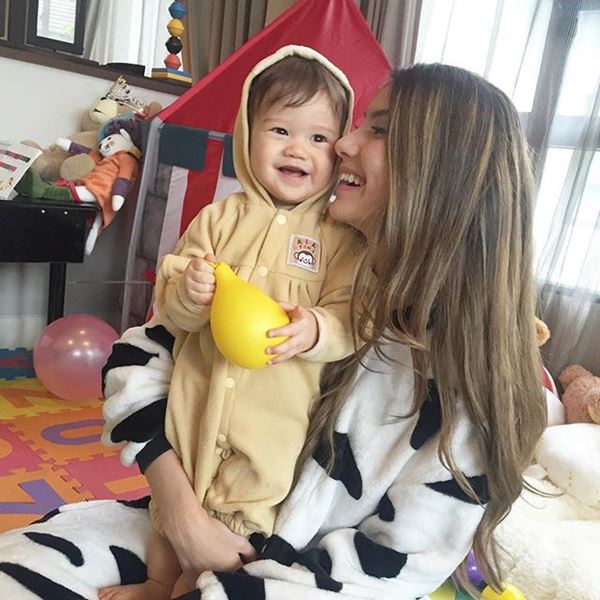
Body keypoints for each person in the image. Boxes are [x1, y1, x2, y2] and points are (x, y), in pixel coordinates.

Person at [0, 62, 547, 600]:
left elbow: (383, 571)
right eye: (282, 130)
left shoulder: (460, 382)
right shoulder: (233, 225)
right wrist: (183, 515)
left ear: (440, 173)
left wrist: (217, 572)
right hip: (183, 505)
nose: (342, 144)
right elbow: (140, 356)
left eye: (377, 130)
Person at [100, 45, 362, 600]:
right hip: (194, 413)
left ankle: (189, 587)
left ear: (339, 151)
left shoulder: (339, 241)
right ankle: (157, 582)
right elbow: (170, 305)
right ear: (247, 133)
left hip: (270, 434)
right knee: (170, 524)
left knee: (234, 543)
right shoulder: (219, 217)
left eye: (318, 138)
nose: (297, 149)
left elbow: (350, 316)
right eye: (280, 130)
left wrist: (315, 328)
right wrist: (190, 294)